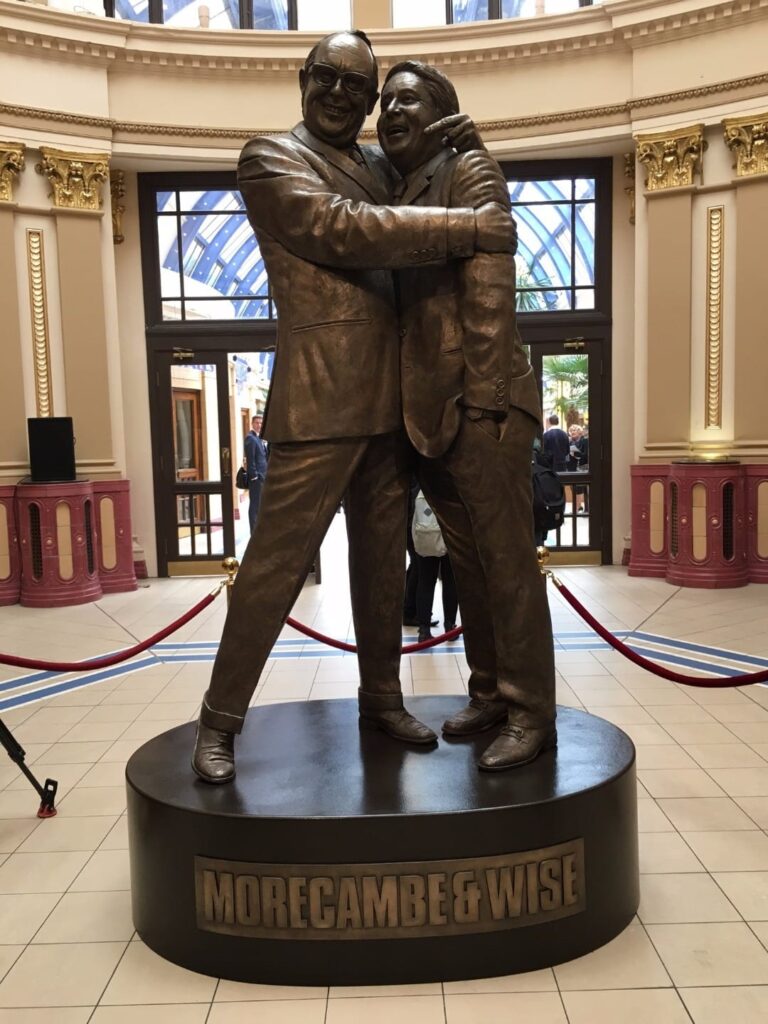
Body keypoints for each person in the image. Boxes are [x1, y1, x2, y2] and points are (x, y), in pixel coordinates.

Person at [192, 31, 519, 783]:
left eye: (357, 85)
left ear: (369, 102)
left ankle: (381, 699)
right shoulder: (269, 156)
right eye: (327, 77)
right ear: (302, 79)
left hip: (394, 401)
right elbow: (341, 230)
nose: (340, 92)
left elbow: (431, 171)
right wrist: (468, 227)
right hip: (318, 398)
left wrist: (463, 138)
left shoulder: (377, 163)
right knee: (273, 570)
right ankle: (219, 722)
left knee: (381, 566)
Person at [378, 60, 556, 770]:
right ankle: (488, 690)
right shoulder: (407, 184)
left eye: (409, 100)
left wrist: (486, 402)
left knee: (508, 566)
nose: (391, 109)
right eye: (385, 100)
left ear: (443, 115)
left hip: (483, 406)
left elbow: (489, 300)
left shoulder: (471, 174)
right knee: (472, 566)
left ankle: (530, 710)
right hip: (436, 415)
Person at [243, 414, 268, 532]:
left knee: (259, 505)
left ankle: (258, 531)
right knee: (255, 506)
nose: (259, 425)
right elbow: (250, 458)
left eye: (261, 423)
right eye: (257, 423)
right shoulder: (250, 438)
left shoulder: (259, 438)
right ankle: (253, 532)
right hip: (256, 479)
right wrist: (254, 476)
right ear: (252, 424)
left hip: (262, 477)